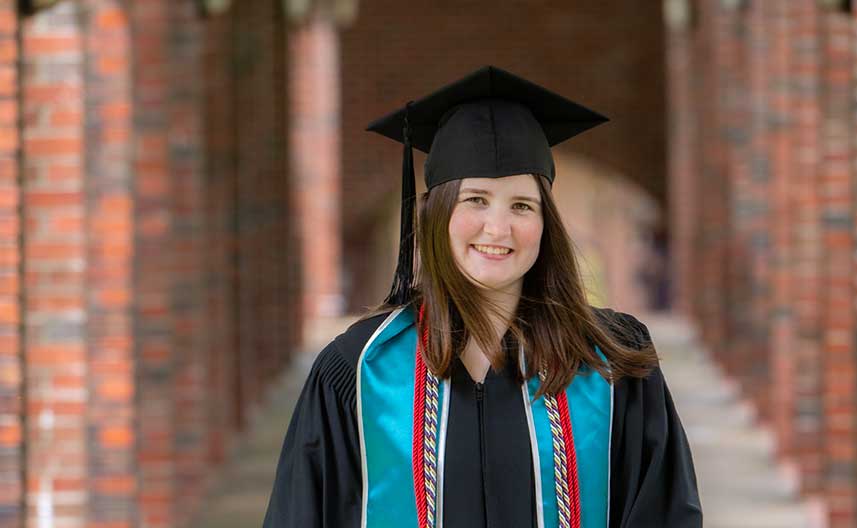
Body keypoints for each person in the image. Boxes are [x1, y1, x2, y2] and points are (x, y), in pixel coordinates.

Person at [262, 66, 702, 528]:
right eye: (476, 199)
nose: (498, 228)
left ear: (545, 223)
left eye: (521, 205)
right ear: (437, 213)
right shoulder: (359, 369)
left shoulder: (612, 363)